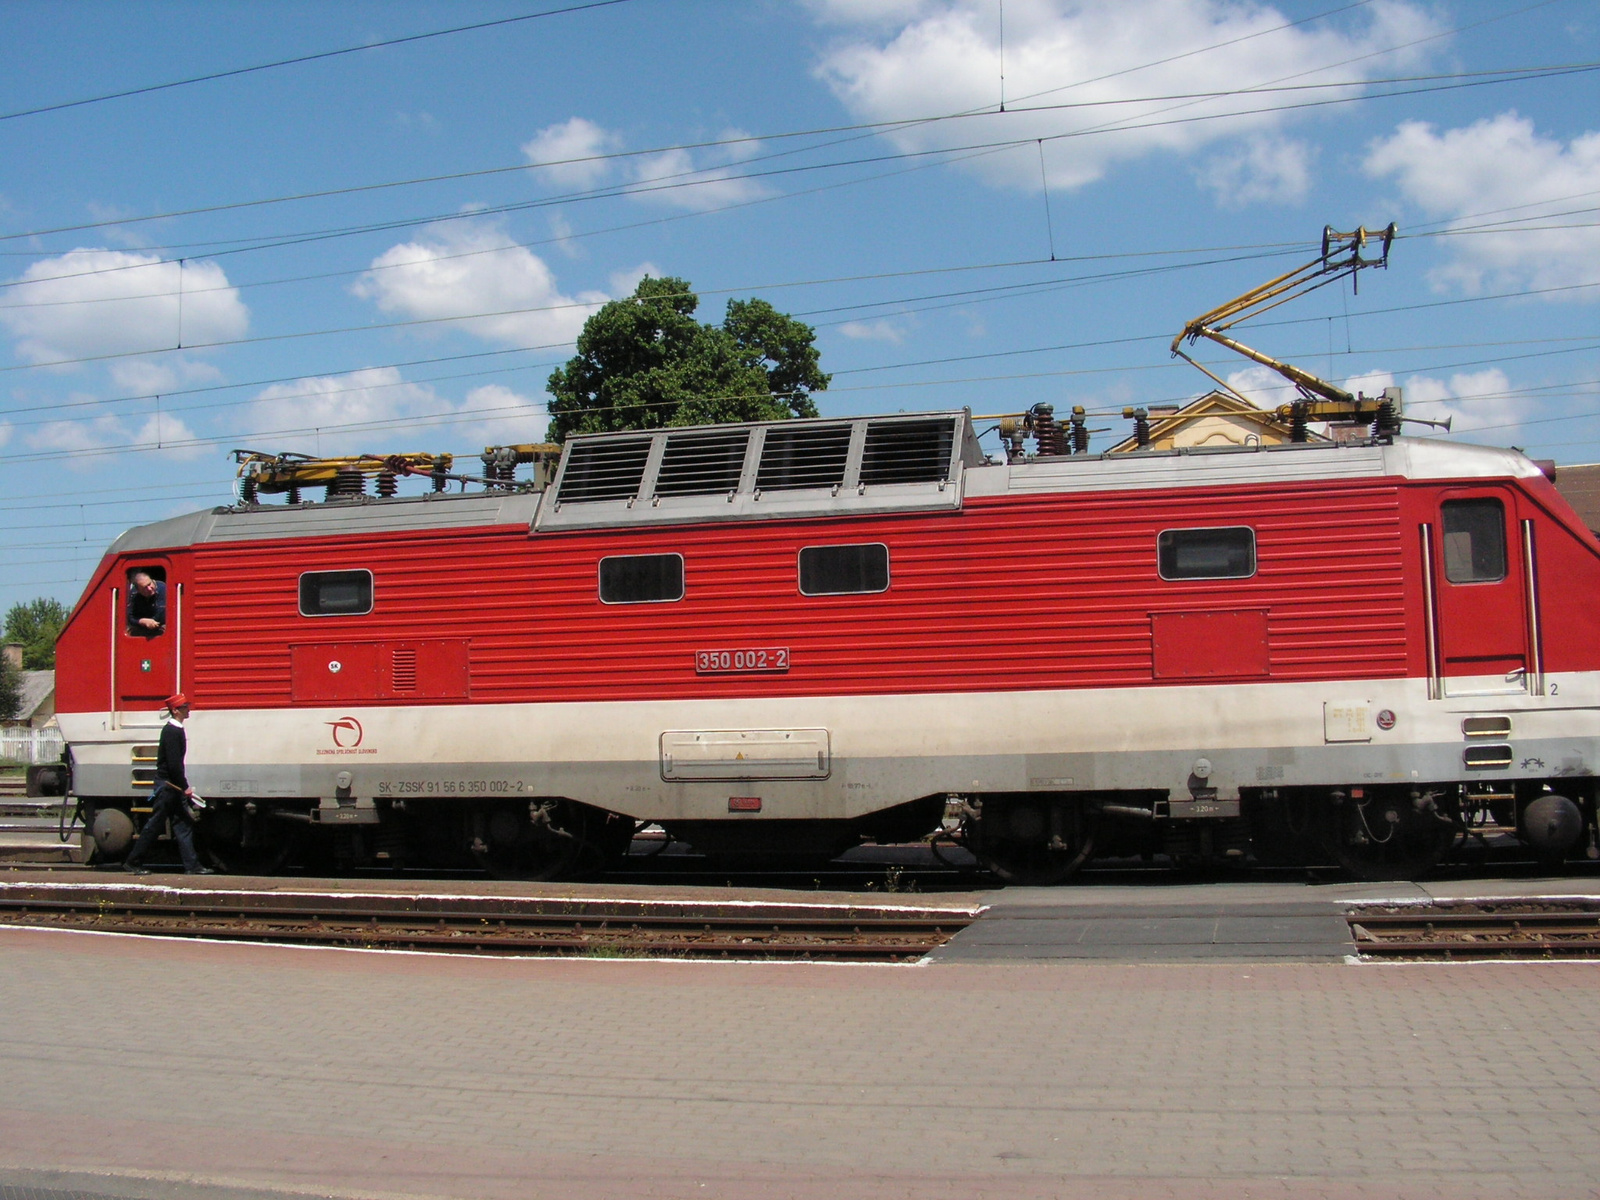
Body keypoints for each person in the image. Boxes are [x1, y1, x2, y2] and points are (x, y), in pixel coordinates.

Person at [123, 693, 213, 876]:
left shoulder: (175, 730)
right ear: (175, 710)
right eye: (184, 707)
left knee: (182, 825)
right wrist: (185, 786)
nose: (188, 709)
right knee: (155, 825)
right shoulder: (172, 731)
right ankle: (133, 862)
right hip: (168, 787)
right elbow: (174, 764)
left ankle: (192, 866)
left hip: (171, 787)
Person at [126, 571, 167, 637]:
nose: (149, 589)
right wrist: (142, 621)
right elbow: (130, 616)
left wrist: (153, 622)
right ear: (138, 590)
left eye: (149, 584)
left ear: (152, 580)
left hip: (162, 629)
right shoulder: (133, 594)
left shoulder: (165, 589)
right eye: (144, 588)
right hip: (141, 629)